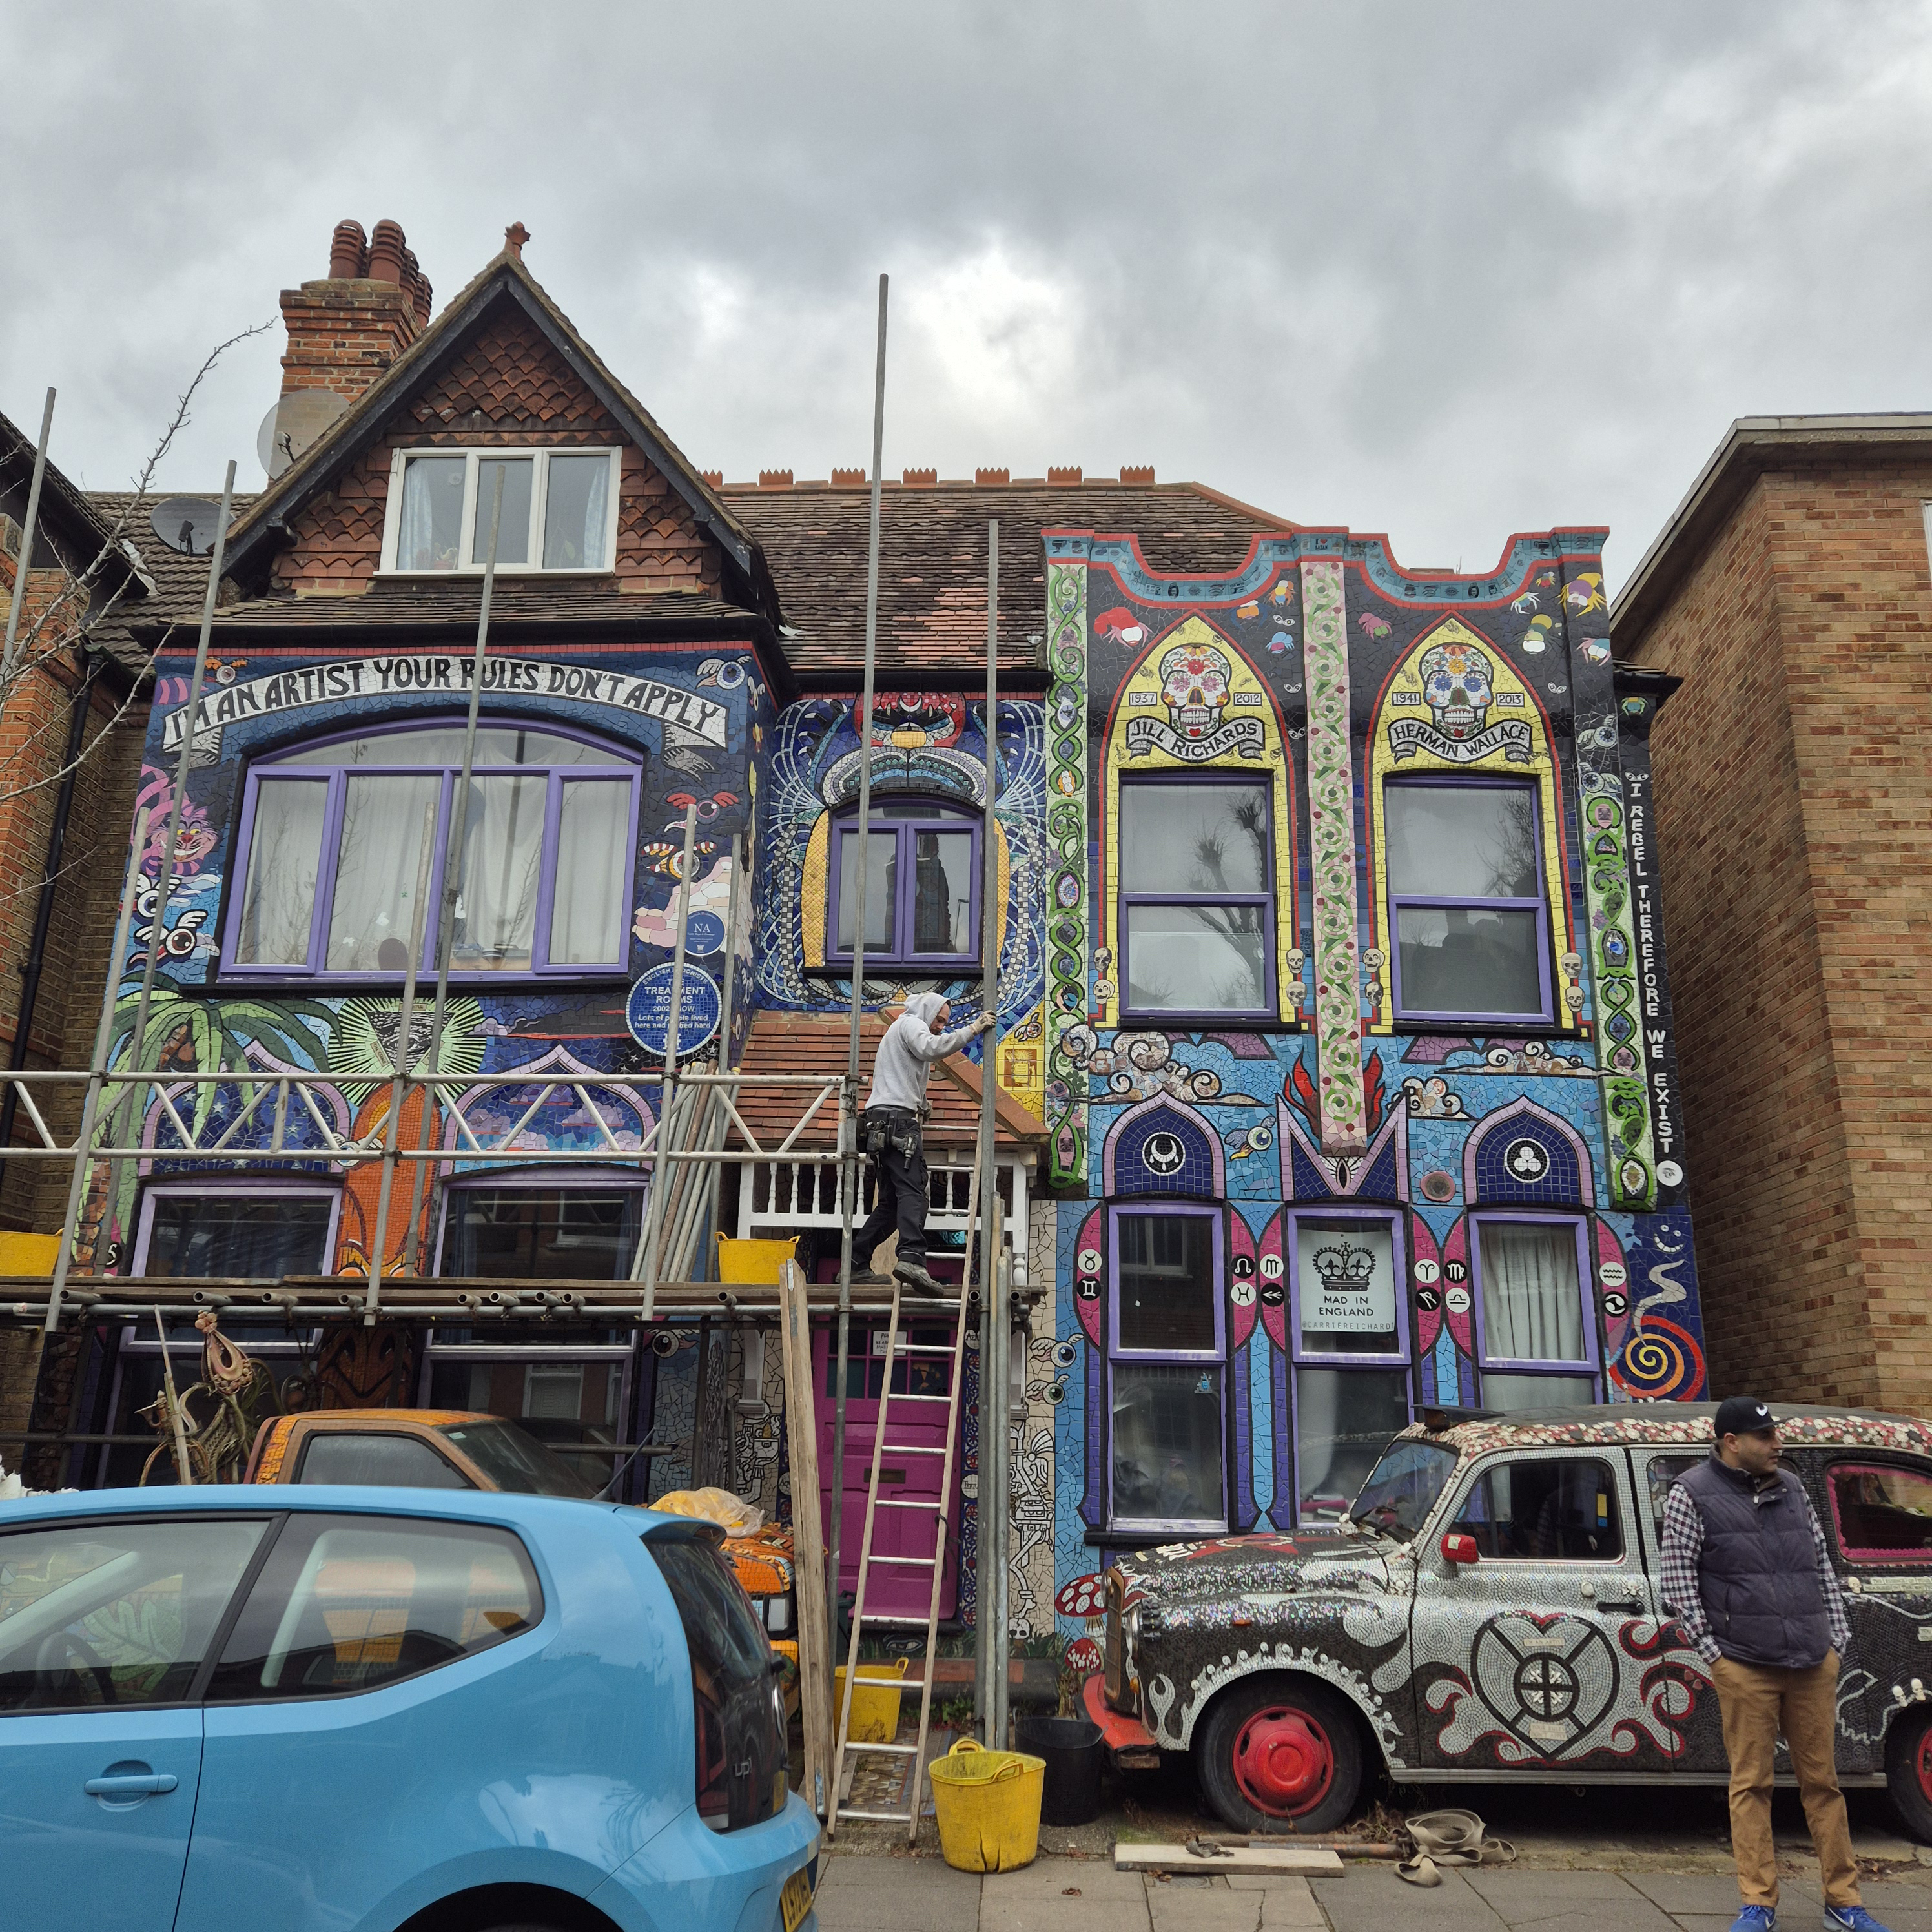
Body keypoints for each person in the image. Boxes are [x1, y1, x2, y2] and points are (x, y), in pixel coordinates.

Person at [1660, 1397, 1889, 1932]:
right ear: (1731, 1443)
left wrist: (1836, 1639)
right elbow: (1678, 1584)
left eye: (1775, 1436)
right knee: (1751, 1785)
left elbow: (1821, 1565)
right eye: (1764, 1438)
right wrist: (1717, 1657)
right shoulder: (1690, 1493)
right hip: (1744, 1663)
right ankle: (1758, 1903)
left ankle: (1843, 1901)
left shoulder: (1792, 1487)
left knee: (1824, 1784)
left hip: (1812, 1658)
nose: (1776, 1444)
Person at [848, 992, 992, 1296]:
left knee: (890, 1204)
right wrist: (973, 1030)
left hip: (881, 1120)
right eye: (939, 1019)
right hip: (898, 1123)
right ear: (926, 1011)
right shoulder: (912, 1024)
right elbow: (931, 1049)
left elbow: (901, 1077)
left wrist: (921, 1103)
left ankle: (855, 1263)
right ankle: (912, 1258)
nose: (940, 1026)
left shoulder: (899, 1030)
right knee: (915, 1192)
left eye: (945, 1022)